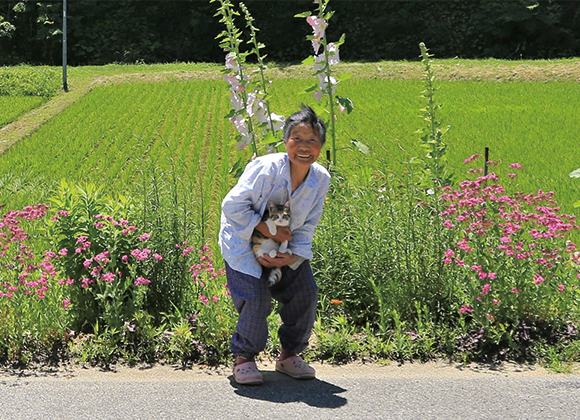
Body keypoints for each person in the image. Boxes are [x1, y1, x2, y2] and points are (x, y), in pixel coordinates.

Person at [218, 105, 331, 385]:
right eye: (297, 139)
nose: (304, 147)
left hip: (283, 249)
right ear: (285, 142)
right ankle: (244, 358)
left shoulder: (320, 180)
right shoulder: (267, 169)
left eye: (312, 140)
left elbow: (307, 225)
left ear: (320, 146)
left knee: (305, 292)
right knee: (257, 299)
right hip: (244, 245)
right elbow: (232, 205)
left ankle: (289, 355)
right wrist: (266, 228)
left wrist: (291, 256)